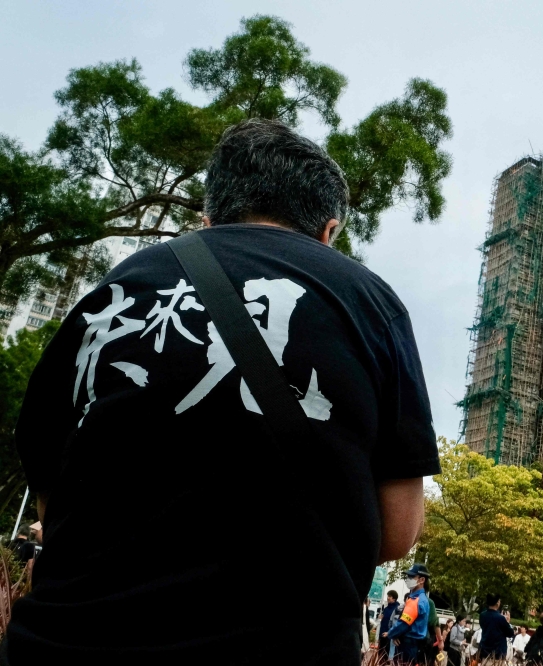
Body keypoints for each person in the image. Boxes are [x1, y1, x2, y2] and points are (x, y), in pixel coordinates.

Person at [3, 118, 439, 664]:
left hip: (63, 644)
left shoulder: (113, 291)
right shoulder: (373, 305)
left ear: (208, 220)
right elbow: (396, 533)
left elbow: (52, 492)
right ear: (328, 231)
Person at [387, 564, 433, 663]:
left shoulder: (415, 600)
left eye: (412, 577)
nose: (408, 579)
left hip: (407, 645)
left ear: (422, 580)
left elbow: (403, 624)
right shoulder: (423, 599)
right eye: (408, 576)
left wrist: (391, 634)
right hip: (415, 645)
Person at [478, 593, 515, 660]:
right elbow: (510, 633)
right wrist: (507, 622)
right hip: (497, 653)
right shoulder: (500, 618)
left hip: (484, 650)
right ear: (497, 603)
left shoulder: (482, 615)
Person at [380, 590, 402, 658]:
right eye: (388, 596)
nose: (388, 598)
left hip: (390, 636)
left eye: (389, 596)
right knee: (380, 656)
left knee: (388, 657)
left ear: (394, 598)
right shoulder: (386, 608)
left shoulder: (397, 609)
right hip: (382, 635)